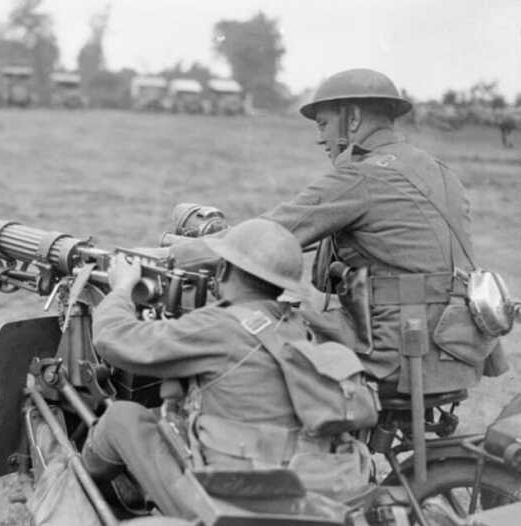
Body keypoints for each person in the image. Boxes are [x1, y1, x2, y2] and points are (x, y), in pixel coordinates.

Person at [170, 68, 504, 395]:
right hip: (458, 349)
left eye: (324, 124)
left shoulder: (360, 177)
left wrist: (172, 254)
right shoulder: (441, 173)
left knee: (249, 329)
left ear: (353, 118)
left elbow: (264, 236)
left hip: (397, 353)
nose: (320, 138)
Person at [81, 219, 363, 518]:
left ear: (224, 269)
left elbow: (114, 339)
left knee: (121, 418)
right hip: (295, 487)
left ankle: (92, 506)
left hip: (228, 500)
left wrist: (121, 289)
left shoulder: (218, 327)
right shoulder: (295, 326)